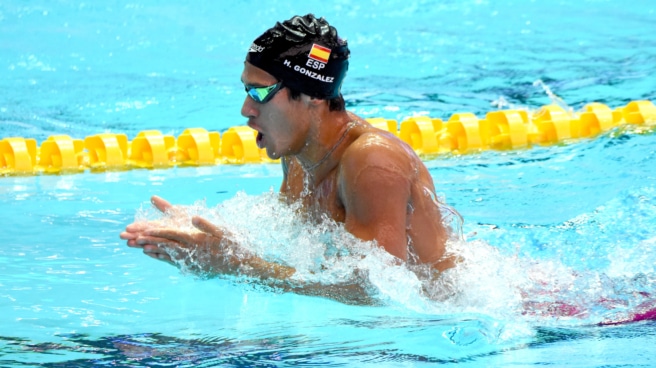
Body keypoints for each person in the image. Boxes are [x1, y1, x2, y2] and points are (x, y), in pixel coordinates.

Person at [120, 14, 459, 302]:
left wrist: (238, 266)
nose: (246, 110)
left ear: (311, 95)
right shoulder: (298, 154)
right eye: (245, 90)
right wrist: (202, 239)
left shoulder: (371, 161)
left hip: (452, 327)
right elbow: (294, 249)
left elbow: (379, 293)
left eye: (260, 93)